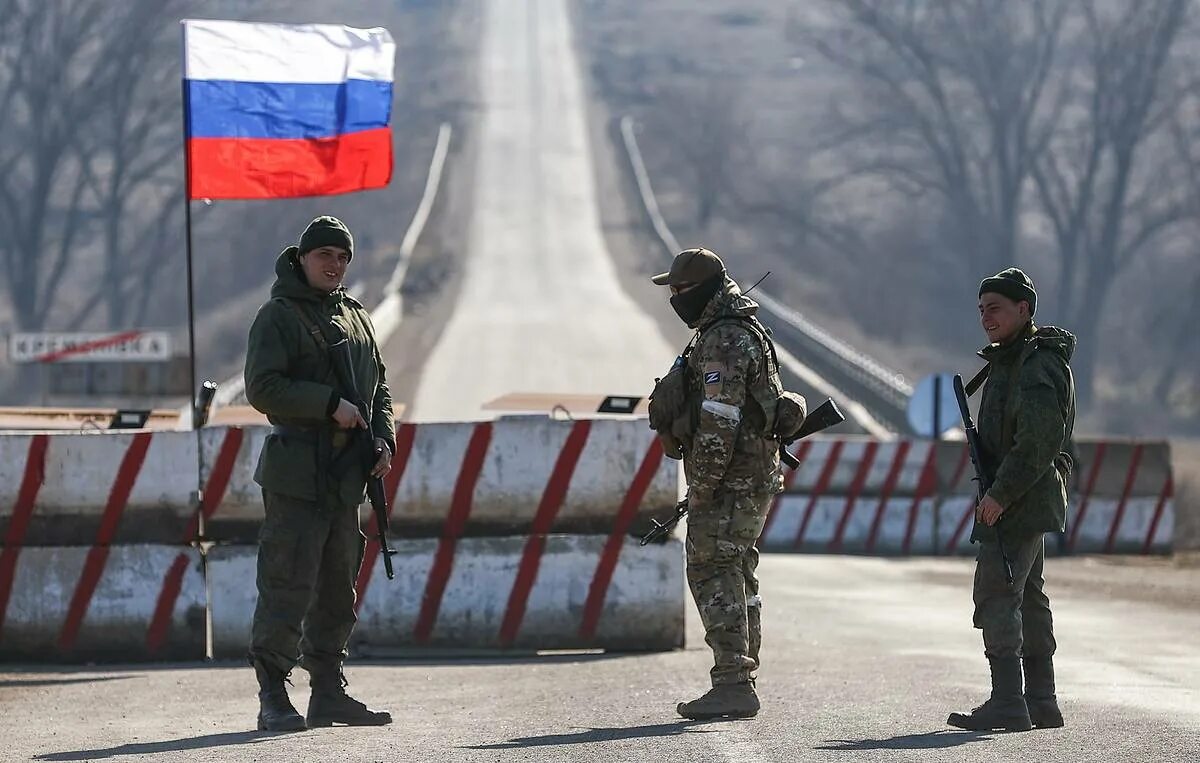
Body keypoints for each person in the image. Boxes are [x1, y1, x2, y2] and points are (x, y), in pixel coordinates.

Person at [244, 216, 395, 731]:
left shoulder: (355, 315)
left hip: (344, 474)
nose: (334, 265)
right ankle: (273, 695)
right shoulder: (278, 316)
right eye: (325, 255)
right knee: (287, 583)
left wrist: (383, 437)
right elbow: (262, 388)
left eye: (343, 257)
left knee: (336, 588)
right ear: (302, 258)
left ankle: (328, 692)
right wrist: (328, 403)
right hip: (297, 471)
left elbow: (379, 387)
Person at [648, 248, 788, 720]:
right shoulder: (733, 328)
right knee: (737, 570)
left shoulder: (725, 339)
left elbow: (720, 418)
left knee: (711, 569)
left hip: (732, 480)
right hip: (748, 476)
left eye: (679, 291)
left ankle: (732, 680)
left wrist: (703, 484)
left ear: (701, 291)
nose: (674, 299)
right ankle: (740, 675)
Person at [948, 267, 1076, 732]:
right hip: (1025, 492)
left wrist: (1000, 494)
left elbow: (1038, 441)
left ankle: (1008, 700)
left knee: (997, 590)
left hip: (1021, 494)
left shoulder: (1036, 364)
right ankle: (1041, 699)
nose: (986, 318)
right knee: (1030, 595)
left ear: (1024, 309)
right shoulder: (1010, 359)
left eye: (996, 308)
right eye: (982, 309)